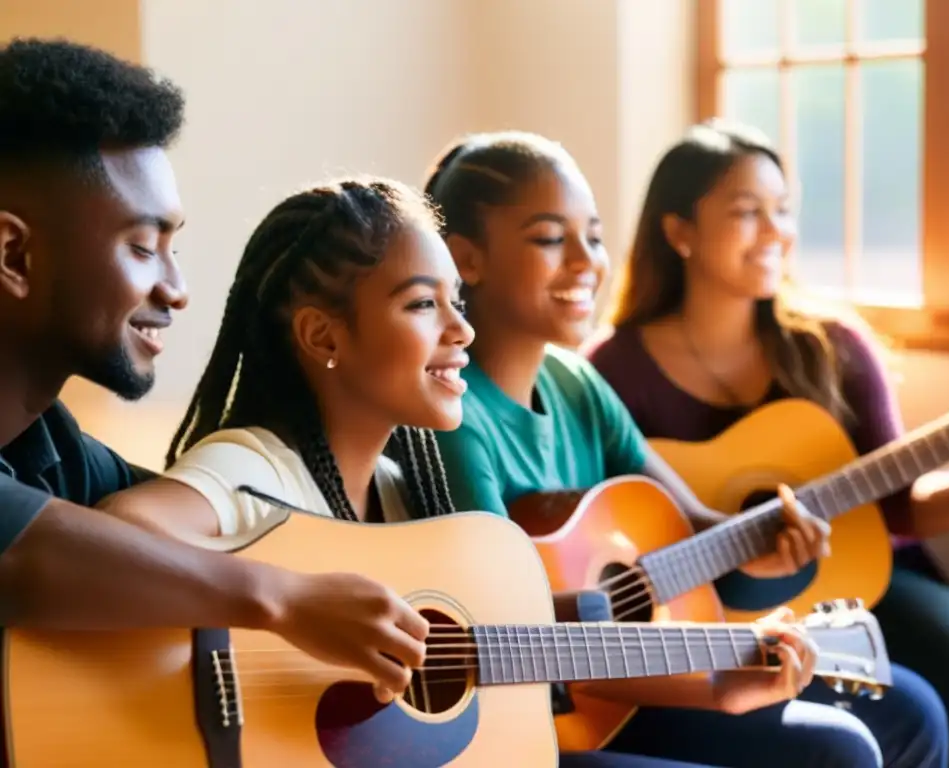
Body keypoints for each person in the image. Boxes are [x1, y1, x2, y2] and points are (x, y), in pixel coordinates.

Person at [95, 174, 807, 768]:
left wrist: (721, 682)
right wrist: (286, 600)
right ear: (323, 335)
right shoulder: (254, 468)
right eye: (422, 304)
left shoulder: (413, 502)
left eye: (456, 302)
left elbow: (511, 652)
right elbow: (116, 536)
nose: (461, 330)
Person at [426, 130, 948, 767]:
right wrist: (716, 679)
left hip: (625, 677)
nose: (587, 260)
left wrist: (757, 544)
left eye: (593, 235)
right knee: (840, 753)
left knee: (906, 715)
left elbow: (690, 523)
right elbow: (517, 633)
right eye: (549, 238)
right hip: (551, 706)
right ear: (465, 259)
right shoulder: (453, 417)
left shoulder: (577, 383)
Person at [0, 38, 430, 709]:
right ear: (14, 255)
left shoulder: (52, 449)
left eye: (174, 247)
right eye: (143, 247)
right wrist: (283, 600)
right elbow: (28, 554)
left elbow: (227, 535)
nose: (177, 289)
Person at [588, 118, 949, 768]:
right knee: (896, 716)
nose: (775, 232)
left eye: (783, 210)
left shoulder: (832, 347)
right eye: (746, 211)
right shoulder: (612, 371)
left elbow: (901, 506)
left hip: (870, 577)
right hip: (715, 611)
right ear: (679, 231)